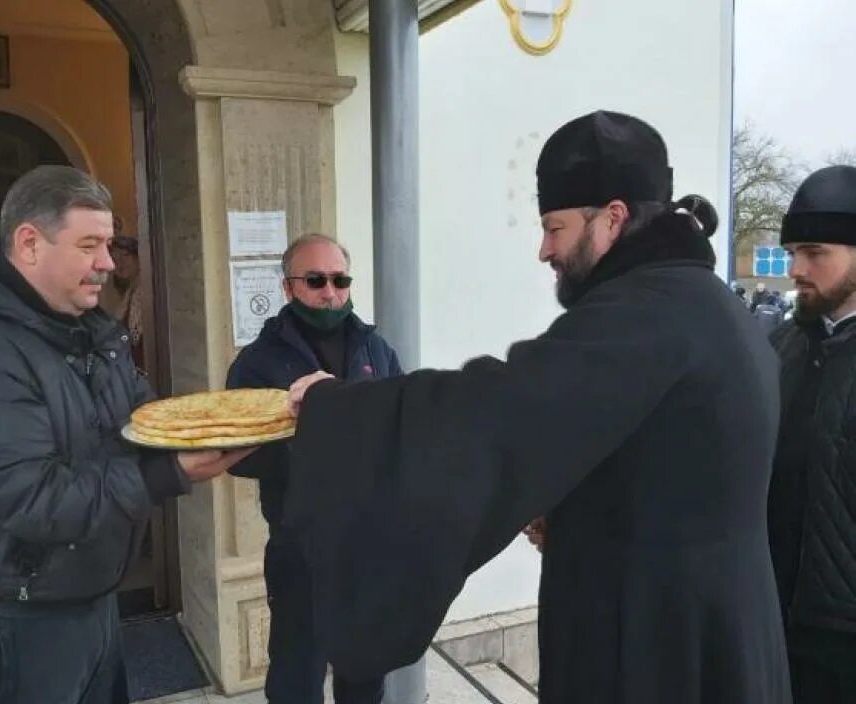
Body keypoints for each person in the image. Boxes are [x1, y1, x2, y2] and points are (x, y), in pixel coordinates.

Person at [284, 111, 790, 703]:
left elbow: (498, 408)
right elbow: (657, 459)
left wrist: (332, 406)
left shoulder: (648, 313)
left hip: (659, 649)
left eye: (555, 227)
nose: (543, 249)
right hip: (704, 626)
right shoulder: (701, 302)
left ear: (613, 218)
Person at [0, 165, 251, 704]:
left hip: (86, 593)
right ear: (29, 244)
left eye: (110, 245)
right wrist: (169, 473)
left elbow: (142, 420)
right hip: (12, 616)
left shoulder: (86, 330)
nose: (108, 263)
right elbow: (36, 500)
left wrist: (247, 416)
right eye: (89, 244)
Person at [226, 233, 398, 704]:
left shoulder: (375, 349)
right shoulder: (257, 363)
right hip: (298, 546)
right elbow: (239, 455)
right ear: (288, 288)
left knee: (364, 673)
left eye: (340, 280)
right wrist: (306, 437)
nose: (330, 292)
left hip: (366, 546)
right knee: (296, 677)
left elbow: (403, 429)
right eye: (316, 280)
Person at [768, 164, 856, 703]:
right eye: (794, 250)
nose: (796, 268)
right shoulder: (780, 348)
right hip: (773, 624)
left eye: (815, 252)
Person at [101, 233, 144, 367]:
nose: (120, 263)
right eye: (114, 258)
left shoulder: (148, 293)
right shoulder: (125, 296)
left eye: (125, 255)